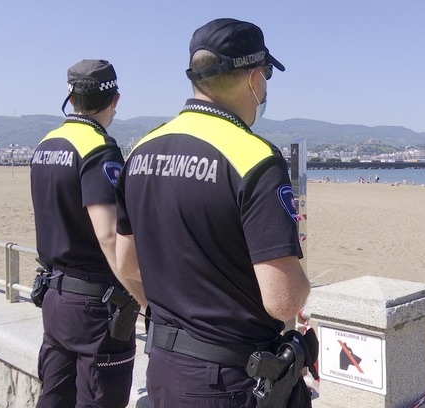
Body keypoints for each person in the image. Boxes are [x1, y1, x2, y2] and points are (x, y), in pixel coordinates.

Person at [114, 18, 312, 407]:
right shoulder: (255, 158)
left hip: (164, 366)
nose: (266, 86)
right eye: (267, 75)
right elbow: (282, 300)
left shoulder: (142, 150)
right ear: (255, 79)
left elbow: (126, 263)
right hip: (231, 379)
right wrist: (306, 297)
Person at [29, 59, 136, 407]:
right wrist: (145, 295)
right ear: (115, 100)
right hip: (95, 305)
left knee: (55, 395)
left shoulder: (47, 144)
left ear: (70, 96)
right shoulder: (99, 149)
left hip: (54, 295)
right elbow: (108, 236)